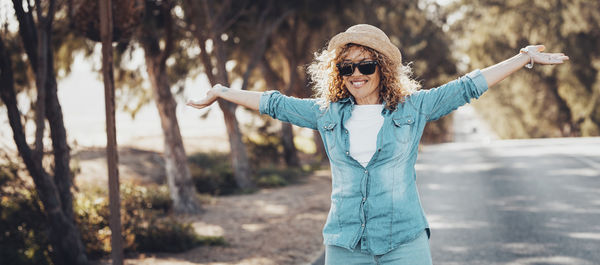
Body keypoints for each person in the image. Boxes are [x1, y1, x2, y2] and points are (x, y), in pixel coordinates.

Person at [186, 24, 568, 265]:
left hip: (404, 241)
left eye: (365, 65)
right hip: (345, 244)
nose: (356, 74)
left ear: (382, 69)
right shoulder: (326, 114)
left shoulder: (414, 108)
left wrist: (522, 60)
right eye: (347, 67)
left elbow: (468, 85)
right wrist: (222, 91)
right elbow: (275, 103)